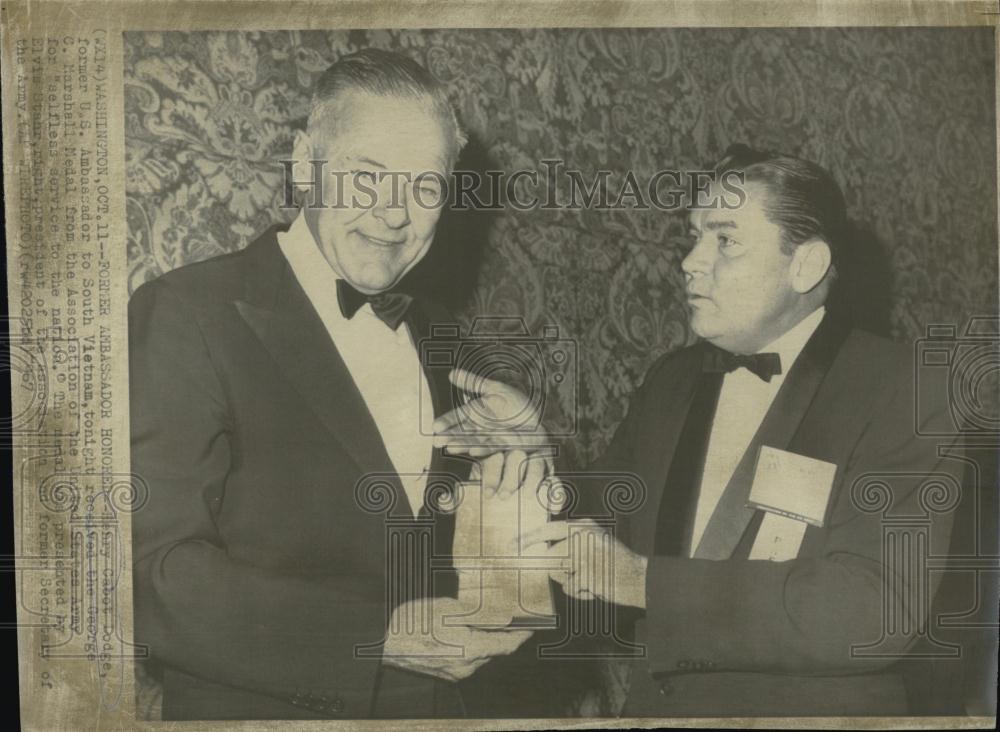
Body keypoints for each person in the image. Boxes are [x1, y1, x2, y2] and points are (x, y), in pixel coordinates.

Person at [440, 145, 963, 716]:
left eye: (726, 240)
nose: (690, 261)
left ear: (806, 265)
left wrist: (645, 584)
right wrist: (534, 459)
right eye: (693, 237)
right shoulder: (674, 379)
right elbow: (601, 525)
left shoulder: (905, 387)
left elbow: (876, 608)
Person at [129, 48, 531, 721]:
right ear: (303, 162)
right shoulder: (188, 313)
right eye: (369, 176)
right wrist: (375, 637)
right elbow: (152, 574)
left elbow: (498, 584)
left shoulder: (452, 354)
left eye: (425, 186)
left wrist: (531, 471)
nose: (395, 215)